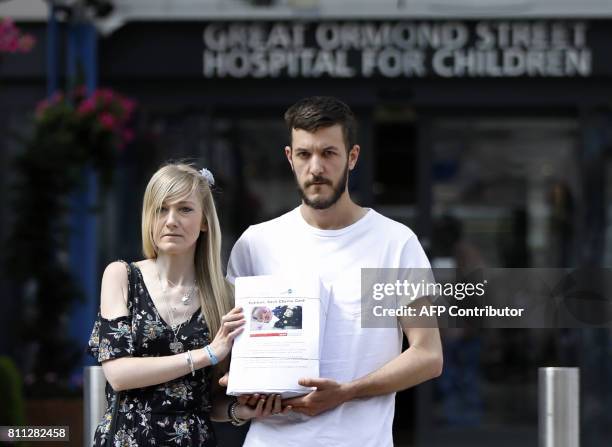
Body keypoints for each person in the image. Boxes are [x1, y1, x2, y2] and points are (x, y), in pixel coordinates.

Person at [226, 97, 443, 447]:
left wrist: (347, 392)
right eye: (304, 154)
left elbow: (428, 356)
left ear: (352, 157)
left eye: (328, 153)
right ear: (289, 158)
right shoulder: (256, 243)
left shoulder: (393, 243)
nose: (316, 167)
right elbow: (230, 348)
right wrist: (239, 383)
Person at [87, 163, 283, 446]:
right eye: (161, 209)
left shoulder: (224, 296)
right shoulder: (122, 276)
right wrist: (205, 354)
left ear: (204, 221)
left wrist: (236, 410)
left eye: (185, 209)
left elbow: (208, 399)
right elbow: (118, 374)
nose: (171, 220)